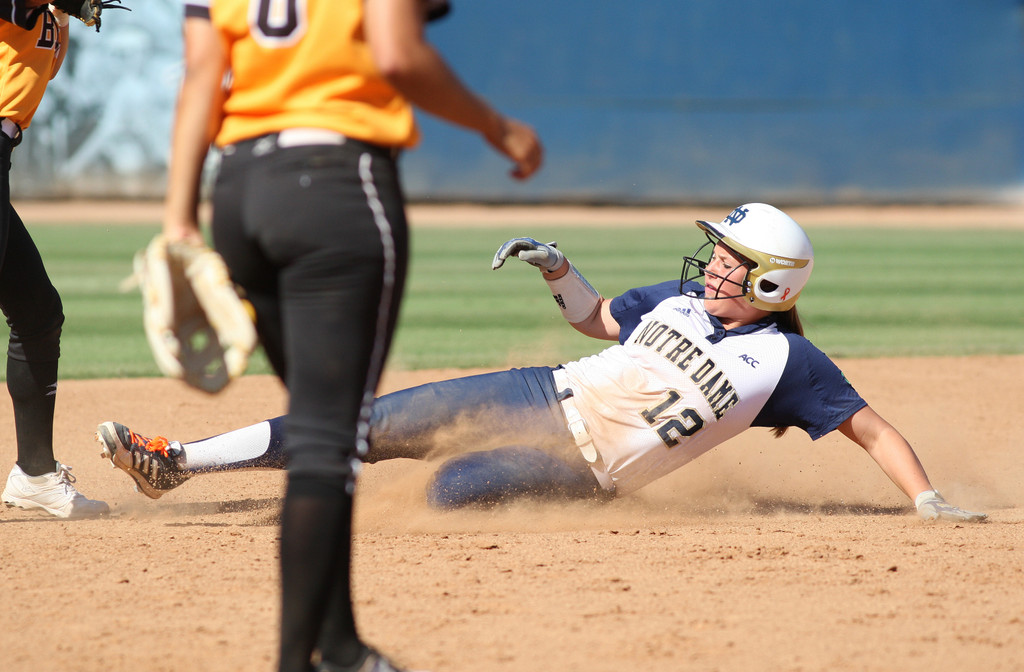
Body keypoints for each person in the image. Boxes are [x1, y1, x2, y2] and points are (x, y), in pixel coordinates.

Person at [99, 203, 985, 524]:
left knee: (446, 492)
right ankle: (178, 463)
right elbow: (598, 321)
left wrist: (926, 499)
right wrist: (558, 268)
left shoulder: (789, 362)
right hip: (540, 391)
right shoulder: (673, 304)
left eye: (728, 256)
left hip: (580, 469)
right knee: (369, 422)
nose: (711, 263)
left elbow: (871, 427)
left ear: (769, 281)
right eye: (715, 249)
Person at [153, 1, 542, 671]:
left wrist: (179, 219)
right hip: (338, 188)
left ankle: (340, 646)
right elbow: (397, 55)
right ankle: (295, 662)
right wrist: (499, 128)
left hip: (241, 193)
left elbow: (200, 76)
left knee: (319, 427)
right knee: (330, 445)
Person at [0, 1, 109, 518]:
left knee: (38, 313)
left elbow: (40, 67)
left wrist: (63, 19)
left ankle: (36, 475)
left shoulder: (49, 14)